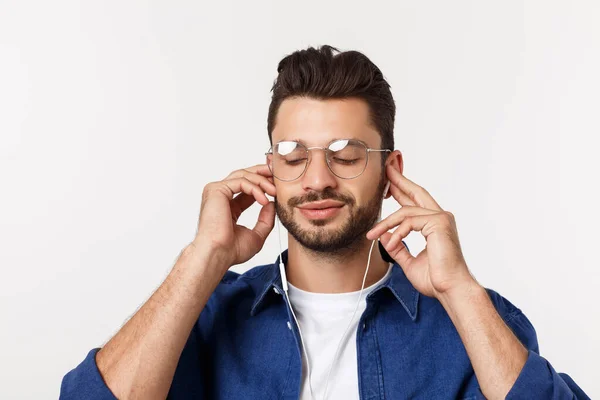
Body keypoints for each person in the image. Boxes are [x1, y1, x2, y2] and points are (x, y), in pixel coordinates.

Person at [60, 45, 589, 400]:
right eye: (293, 156)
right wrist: (203, 258)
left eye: (347, 154)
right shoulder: (205, 316)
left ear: (390, 171)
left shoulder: (473, 322)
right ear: (269, 170)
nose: (317, 180)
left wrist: (460, 290)